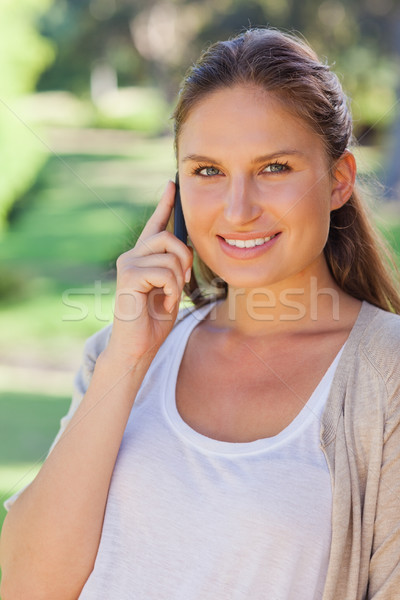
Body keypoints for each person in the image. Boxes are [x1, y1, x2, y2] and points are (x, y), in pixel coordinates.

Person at [1, 26, 400, 600]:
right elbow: (28, 586)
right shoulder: (117, 356)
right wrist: (128, 359)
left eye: (274, 168)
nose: (238, 211)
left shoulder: (384, 377)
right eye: (208, 171)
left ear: (338, 181)